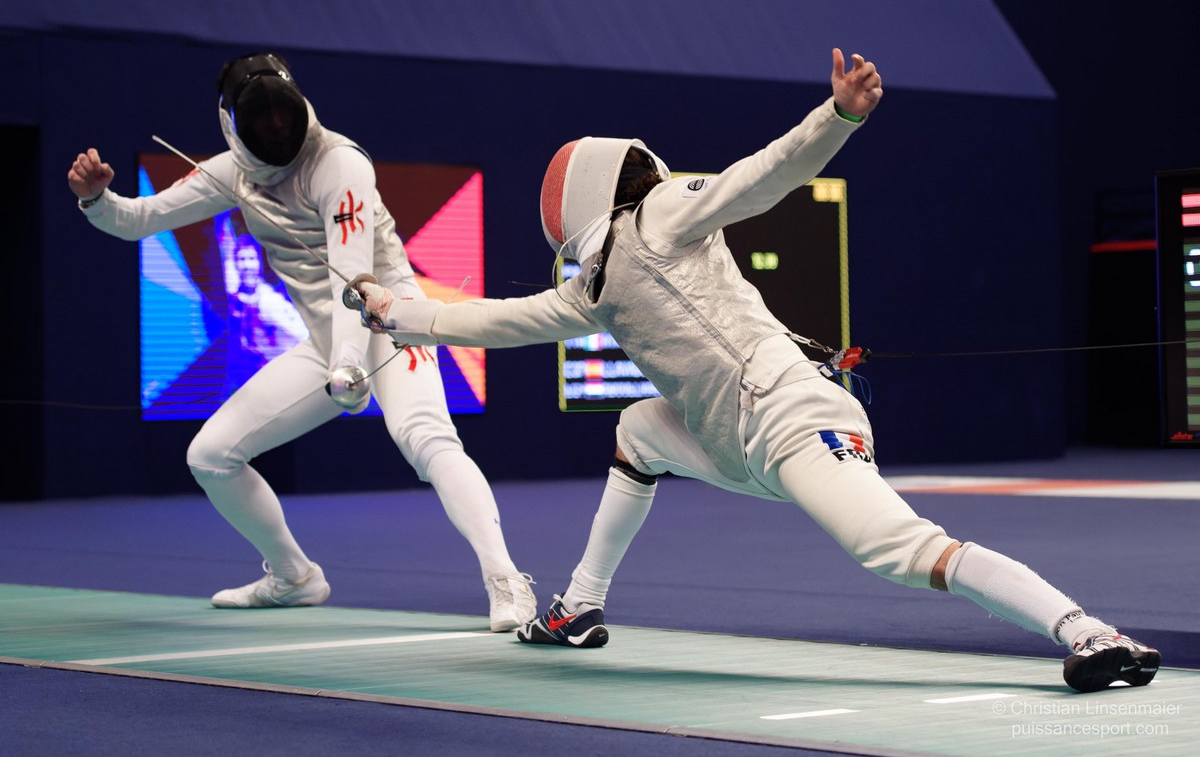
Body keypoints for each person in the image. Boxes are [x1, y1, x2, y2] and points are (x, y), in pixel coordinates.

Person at [350, 48, 1161, 692]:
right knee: (639, 428)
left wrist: (838, 117)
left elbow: (761, 175)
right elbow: (494, 320)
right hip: (734, 437)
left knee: (901, 550)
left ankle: (1090, 632)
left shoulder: (662, 214)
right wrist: (398, 312)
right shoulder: (591, 288)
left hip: (793, 416)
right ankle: (580, 606)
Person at [67, 52, 537, 631]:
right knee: (211, 456)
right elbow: (137, 220)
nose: (276, 129)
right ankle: (294, 577)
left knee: (427, 440)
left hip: (391, 322)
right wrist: (97, 200)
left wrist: (348, 364)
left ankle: (506, 580)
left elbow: (356, 280)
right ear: (232, 123)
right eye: (261, 120)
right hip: (326, 343)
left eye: (283, 116)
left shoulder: (339, 164)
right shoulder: (233, 171)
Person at [221, 229, 309, 390]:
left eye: (251, 259)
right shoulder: (237, 297)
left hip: (275, 379)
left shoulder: (270, 302)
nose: (247, 266)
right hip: (246, 380)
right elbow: (225, 252)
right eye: (241, 259)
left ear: (259, 263)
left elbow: (303, 335)